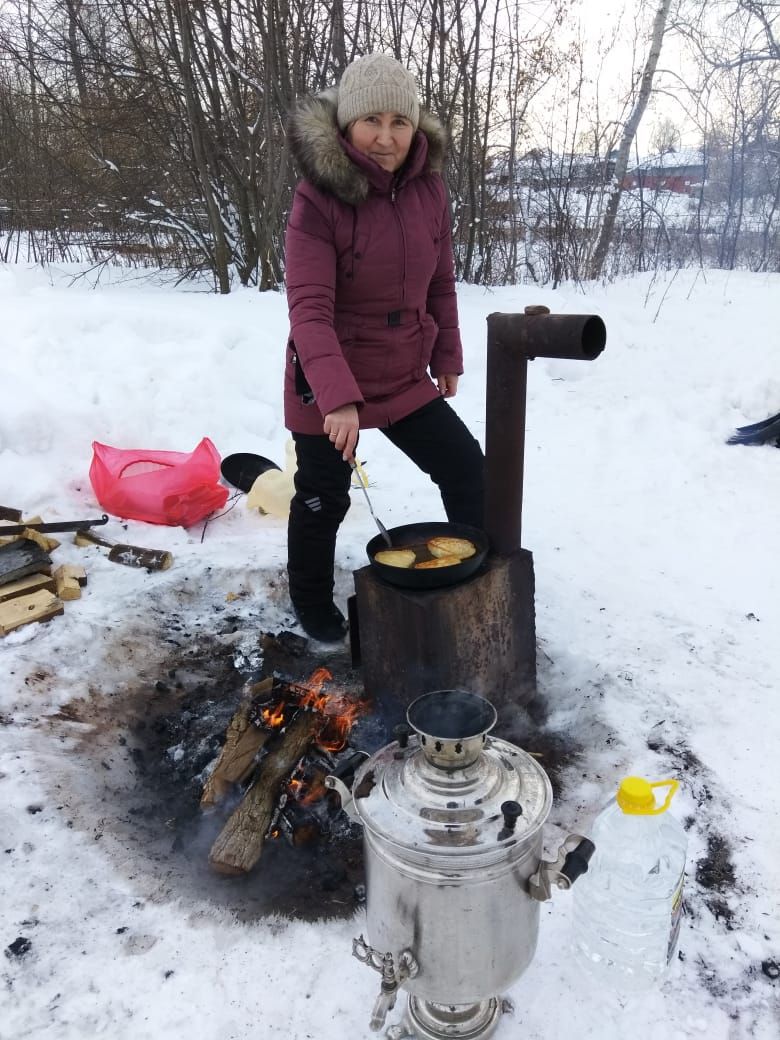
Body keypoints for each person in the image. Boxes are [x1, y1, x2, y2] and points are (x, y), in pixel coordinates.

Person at [283, 53, 485, 643]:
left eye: (400, 121)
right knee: (323, 496)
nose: (386, 136)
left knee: (466, 469)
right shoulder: (317, 198)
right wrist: (337, 398)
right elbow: (309, 311)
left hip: (401, 370)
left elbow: (440, 281)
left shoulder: (429, 189)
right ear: (347, 125)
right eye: (372, 120)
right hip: (328, 372)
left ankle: (472, 576)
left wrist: (446, 355)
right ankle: (311, 598)